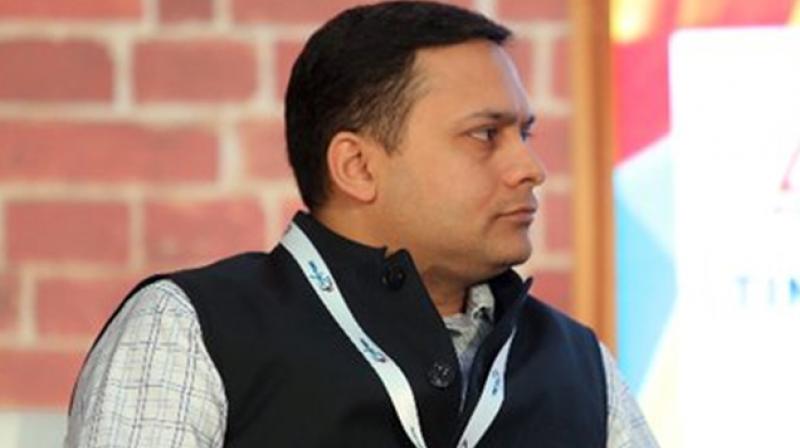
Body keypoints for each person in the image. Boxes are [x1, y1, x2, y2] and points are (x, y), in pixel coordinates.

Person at [66, 1, 658, 447]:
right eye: (485, 135)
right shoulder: (191, 330)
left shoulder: (580, 365)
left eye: (523, 134)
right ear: (357, 166)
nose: (529, 168)